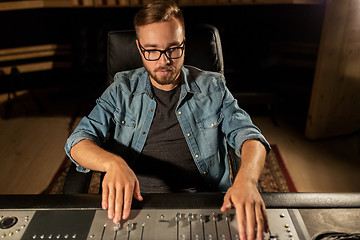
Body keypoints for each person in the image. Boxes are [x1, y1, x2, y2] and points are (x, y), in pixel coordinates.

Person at [65, 1, 271, 239]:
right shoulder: (121, 89)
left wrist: (246, 179)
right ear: (139, 48)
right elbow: (78, 140)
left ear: (184, 44)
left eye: (173, 49)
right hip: (131, 206)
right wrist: (113, 164)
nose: (163, 61)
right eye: (152, 50)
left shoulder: (212, 87)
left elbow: (250, 136)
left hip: (207, 204)